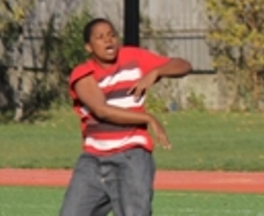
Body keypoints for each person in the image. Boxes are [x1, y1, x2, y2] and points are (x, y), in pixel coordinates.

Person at [60, 17, 192, 216]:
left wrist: (157, 71)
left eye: (112, 35)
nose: (108, 40)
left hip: (131, 158)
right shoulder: (82, 73)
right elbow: (101, 110)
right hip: (93, 161)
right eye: (100, 37)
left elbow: (183, 65)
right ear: (89, 47)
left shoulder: (134, 58)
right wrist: (148, 119)